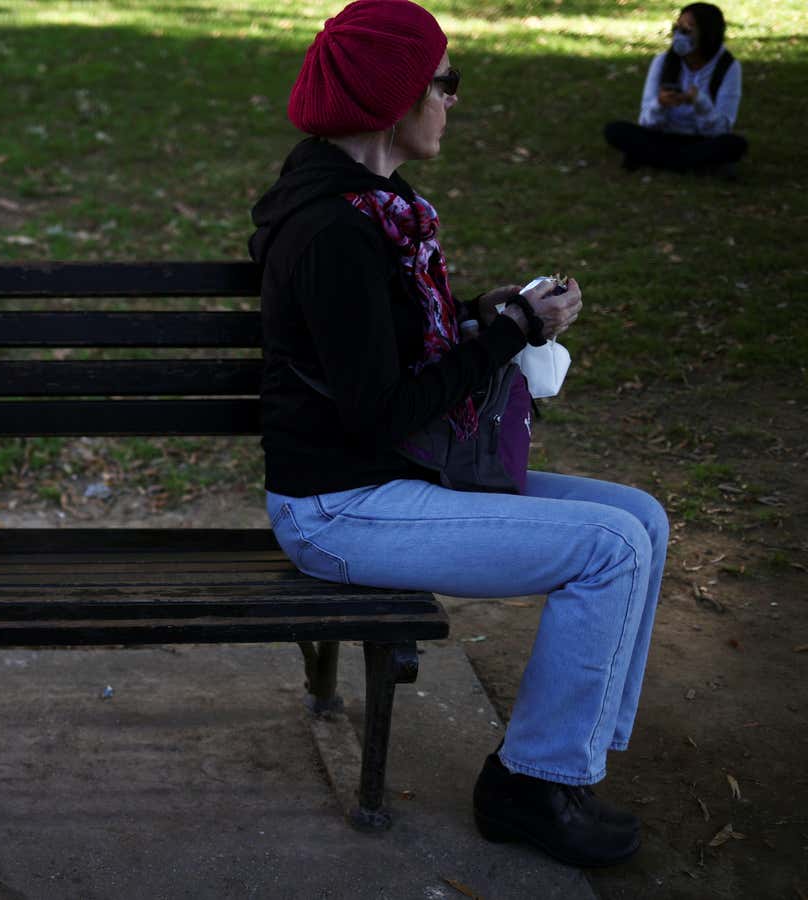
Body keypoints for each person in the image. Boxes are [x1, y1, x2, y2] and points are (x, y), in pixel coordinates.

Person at [250, 0, 667, 868]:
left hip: (390, 479)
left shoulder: (376, 209)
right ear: (394, 100)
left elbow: (390, 350)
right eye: (445, 83)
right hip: (340, 506)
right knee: (611, 550)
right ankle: (533, 785)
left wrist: (496, 315)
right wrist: (509, 334)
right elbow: (379, 409)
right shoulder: (335, 231)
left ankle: (567, 764)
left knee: (644, 520)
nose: (452, 101)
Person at [604, 3, 746, 175]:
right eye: (676, 29)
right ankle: (687, 163)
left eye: (687, 31)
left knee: (734, 144)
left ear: (707, 34)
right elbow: (646, 121)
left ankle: (658, 160)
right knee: (615, 130)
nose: (679, 36)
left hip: (701, 139)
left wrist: (700, 104)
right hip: (663, 136)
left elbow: (722, 128)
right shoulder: (663, 61)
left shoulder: (728, 67)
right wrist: (661, 104)